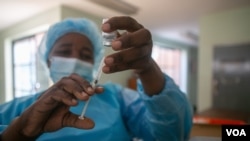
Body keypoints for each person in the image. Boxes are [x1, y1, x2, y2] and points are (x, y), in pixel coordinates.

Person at [0, 16, 193, 141]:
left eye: (85, 54)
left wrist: (147, 67)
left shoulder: (116, 98)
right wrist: (20, 132)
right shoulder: (19, 109)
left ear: (94, 63)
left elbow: (170, 134)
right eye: (65, 52)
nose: (75, 59)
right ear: (48, 61)